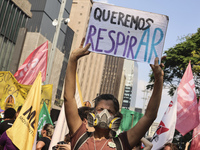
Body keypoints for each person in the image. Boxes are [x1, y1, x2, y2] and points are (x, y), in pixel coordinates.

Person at [64, 38, 164, 149]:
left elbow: (149, 116)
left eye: (110, 111)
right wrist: (73, 59)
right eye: (101, 109)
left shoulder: (122, 142)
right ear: (93, 112)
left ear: (116, 116)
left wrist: (159, 79)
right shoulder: (80, 135)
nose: (105, 113)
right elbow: (69, 98)